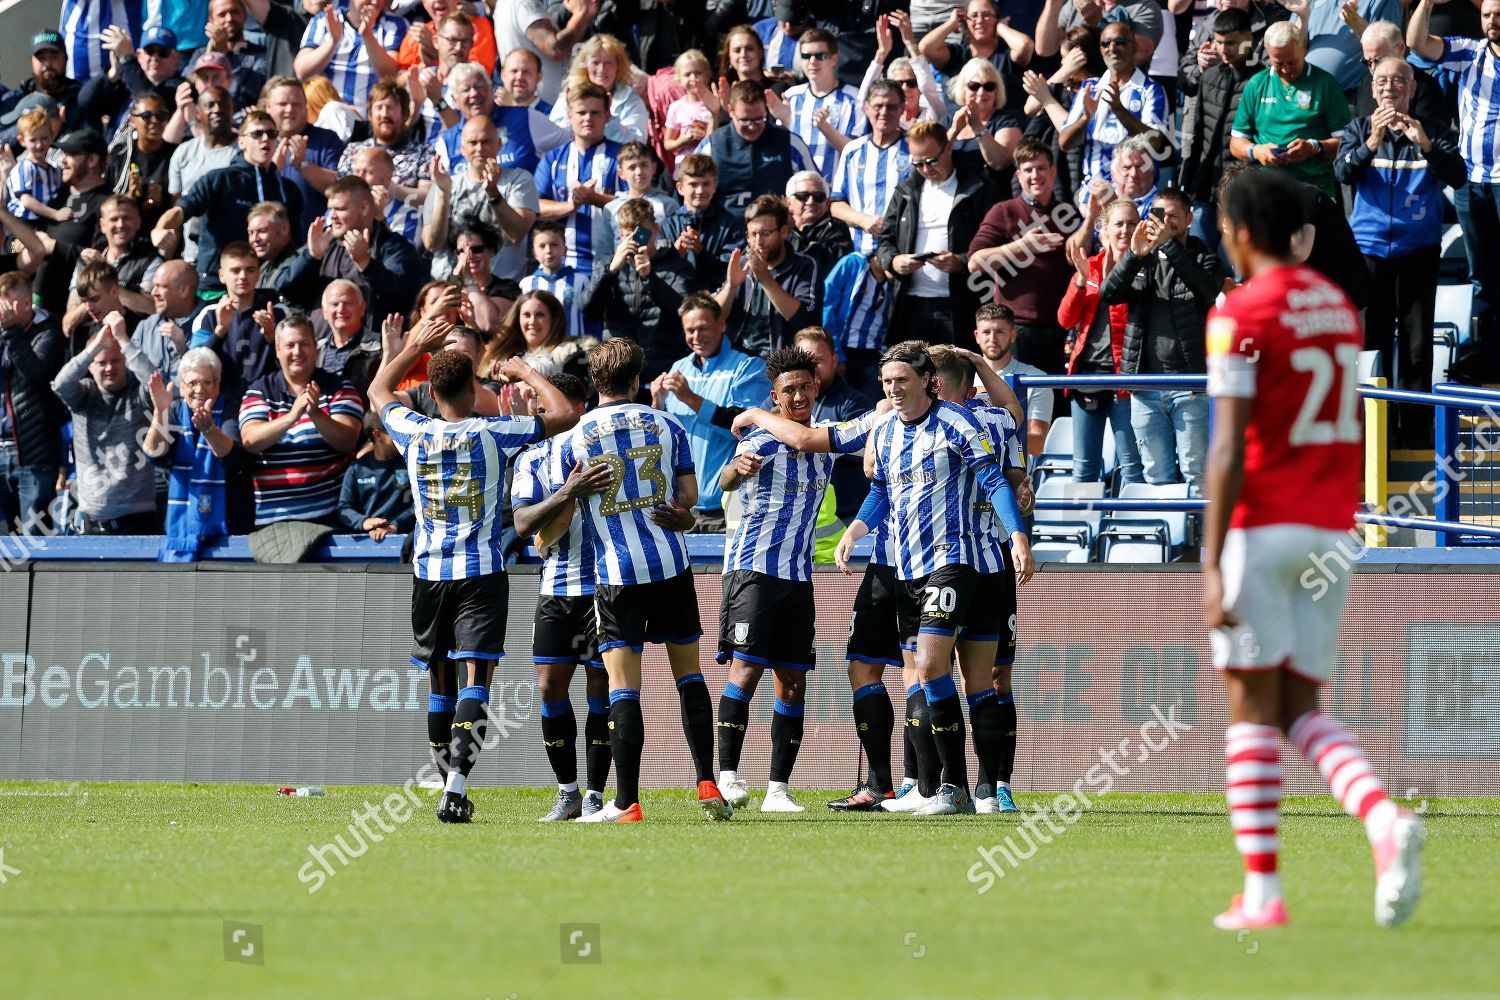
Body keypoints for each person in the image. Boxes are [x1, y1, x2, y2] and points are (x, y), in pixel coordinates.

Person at [1203, 167, 1423, 931]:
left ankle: (1263, 893)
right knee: (1299, 703)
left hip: (1261, 524)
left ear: (1239, 232)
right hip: (1332, 528)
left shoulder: (1237, 311)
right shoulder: (1336, 307)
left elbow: (1227, 446)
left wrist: (1208, 561)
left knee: (1248, 705)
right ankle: (1383, 820)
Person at [370, 318, 577, 824]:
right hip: (481, 572)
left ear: (431, 392)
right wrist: (525, 370)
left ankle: (449, 790)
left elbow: (377, 389)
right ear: (472, 387)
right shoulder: (495, 432)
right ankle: (455, 788)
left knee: (440, 688)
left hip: (428, 574)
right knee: (474, 684)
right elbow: (566, 412)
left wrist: (410, 348)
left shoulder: (413, 430)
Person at [834, 341, 1032, 816]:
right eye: (886, 381)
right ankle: (965, 791)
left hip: (956, 558)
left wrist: (1018, 536)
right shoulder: (883, 433)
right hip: (907, 567)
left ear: (927, 381)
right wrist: (855, 533)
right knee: (952, 679)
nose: (893, 389)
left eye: (902, 380)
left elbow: (995, 481)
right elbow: (880, 492)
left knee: (929, 668)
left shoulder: (959, 423)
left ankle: (955, 789)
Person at [555, 337, 733, 824]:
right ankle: (707, 782)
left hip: (617, 573)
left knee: (623, 688)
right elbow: (689, 498)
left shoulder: (575, 435)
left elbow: (562, 510)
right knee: (689, 677)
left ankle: (627, 802)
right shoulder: (667, 423)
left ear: (595, 382)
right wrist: (681, 517)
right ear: (637, 380)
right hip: (671, 565)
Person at [714, 348, 836, 813]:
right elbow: (725, 480)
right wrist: (734, 470)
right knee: (744, 671)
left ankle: (777, 790)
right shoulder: (760, 441)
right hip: (753, 571)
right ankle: (727, 777)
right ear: (775, 396)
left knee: (792, 680)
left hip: (798, 576)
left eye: (806, 387)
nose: (799, 395)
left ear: (817, 388)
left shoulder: (824, 439)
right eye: (789, 390)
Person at [1334, 57, 1465, 446]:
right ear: (1373, 89)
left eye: (1399, 81)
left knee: (1417, 343)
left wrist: (1425, 143)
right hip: (1370, 252)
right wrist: (1371, 143)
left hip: (1418, 250)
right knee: (1372, 342)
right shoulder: (1357, 129)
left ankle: (1415, 429)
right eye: (1382, 81)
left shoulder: (1435, 131)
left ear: (1412, 89)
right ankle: (1376, 428)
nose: (1389, 87)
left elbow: (1457, 175)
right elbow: (1342, 173)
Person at [925, 344, 1031, 813]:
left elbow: (1010, 416)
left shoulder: (977, 421)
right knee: (982, 676)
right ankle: (983, 786)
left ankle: (968, 786)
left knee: (948, 672)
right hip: (979, 563)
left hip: (967, 559)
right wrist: (983, 364)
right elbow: (1013, 408)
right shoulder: (989, 417)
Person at [510, 372, 614, 821]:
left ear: (577, 408)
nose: (539, 413)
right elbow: (526, 525)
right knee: (550, 687)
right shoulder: (532, 457)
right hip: (556, 590)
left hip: (604, 587)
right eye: (536, 405)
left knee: (600, 689)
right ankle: (567, 791)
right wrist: (569, 492)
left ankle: (595, 793)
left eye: (548, 405)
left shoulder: (604, 451)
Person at [1103, 188, 1226, 495]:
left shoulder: (1205, 258)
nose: (1165, 221)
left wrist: (1169, 247)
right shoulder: (1140, 259)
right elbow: (1108, 295)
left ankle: (1199, 544)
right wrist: (1133, 255)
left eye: (1173, 215)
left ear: (1189, 219)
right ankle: (1169, 543)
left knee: (1197, 474)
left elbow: (1208, 292)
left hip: (1190, 386)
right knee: (1157, 476)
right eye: (1158, 214)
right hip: (1145, 386)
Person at [1408, 0, 1500, 382]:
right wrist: (1427, 2)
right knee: (1484, 274)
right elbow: (1416, 43)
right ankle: (1488, 355)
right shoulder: (1470, 51)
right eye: (1487, 15)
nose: (1493, 21)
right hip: (1471, 179)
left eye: (1499, 14)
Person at [877, 120, 999, 350]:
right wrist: (893, 261)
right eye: (918, 163)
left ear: (949, 148)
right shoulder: (905, 190)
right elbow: (885, 240)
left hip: (960, 303)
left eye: (932, 160)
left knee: (956, 377)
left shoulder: (978, 187)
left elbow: (996, 241)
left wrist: (961, 262)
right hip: (910, 303)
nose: (926, 169)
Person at [654, 293, 771, 531]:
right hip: (683, 506)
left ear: (722, 324)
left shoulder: (748, 367)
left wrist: (690, 398)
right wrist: (656, 406)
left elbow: (747, 430)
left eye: (703, 328)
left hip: (731, 505)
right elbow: (665, 438)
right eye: (690, 330)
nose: (696, 337)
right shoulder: (679, 368)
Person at [152, 111, 306, 288]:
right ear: (241, 142)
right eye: (257, 134)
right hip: (217, 283)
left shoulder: (288, 189)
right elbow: (183, 209)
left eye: (271, 134)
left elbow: (297, 242)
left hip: (267, 283)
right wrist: (160, 228)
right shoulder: (219, 179)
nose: (265, 139)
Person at [238, 314, 364, 526]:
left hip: (332, 519)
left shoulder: (340, 388)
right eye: (290, 345)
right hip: (274, 523)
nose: (297, 352)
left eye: (304, 344)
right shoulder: (259, 391)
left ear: (315, 347)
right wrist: (292, 416)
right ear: (278, 350)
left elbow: (347, 441)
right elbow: (250, 441)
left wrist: (315, 414)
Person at [968, 139, 1078, 374]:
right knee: (1016, 404)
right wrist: (1022, 245)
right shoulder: (1004, 211)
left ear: (1053, 170)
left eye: (1040, 168)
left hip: (1062, 328)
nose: (1035, 175)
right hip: (1017, 330)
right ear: (1018, 176)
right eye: (1028, 170)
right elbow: (975, 263)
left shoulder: (1070, 214)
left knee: (1055, 405)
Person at [1059, 197, 1145, 485]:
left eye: (1131, 223)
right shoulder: (1090, 266)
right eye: (1118, 223)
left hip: (1128, 380)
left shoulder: (1147, 267)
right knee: (1084, 469)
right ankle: (1083, 528)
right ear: (1104, 230)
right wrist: (1081, 282)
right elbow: (1065, 320)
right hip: (1087, 376)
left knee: (1133, 466)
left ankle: (1132, 530)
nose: (1125, 229)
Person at [51, 311, 159, 535]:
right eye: (101, 362)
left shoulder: (138, 392)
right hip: (92, 519)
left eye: (115, 360)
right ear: (90, 365)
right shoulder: (83, 394)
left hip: (138, 517)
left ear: (125, 361)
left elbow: (155, 385)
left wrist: (123, 341)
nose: (109, 368)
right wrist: (95, 346)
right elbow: (60, 384)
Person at [277, 176, 426, 328]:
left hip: (370, 348)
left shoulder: (393, 246)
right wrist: (311, 257)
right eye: (330, 209)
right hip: (320, 347)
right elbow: (286, 291)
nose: (332, 216)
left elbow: (402, 295)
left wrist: (366, 264)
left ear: (364, 208)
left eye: (340, 209)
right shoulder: (324, 243)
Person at [1228, 22, 1351, 201]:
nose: (1286, 70)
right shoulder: (1256, 84)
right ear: (1268, 54)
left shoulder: (1325, 84)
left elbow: (1346, 143)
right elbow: (1236, 142)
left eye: (1292, 62)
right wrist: (1257, 151)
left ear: (1304, 48)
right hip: (1267, 188)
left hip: (1315, 187)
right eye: (1278, 64)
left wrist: (1313, 148)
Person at [145, 346, 244, 560]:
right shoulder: (172, 410)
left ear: (218, 384)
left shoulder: (230, 410)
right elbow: (155, 454)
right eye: (192, 383)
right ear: (181, 388)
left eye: (207, 382)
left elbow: (233, 458)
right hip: (181, 530)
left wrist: (209, 430)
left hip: (228, 526)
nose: (200, 390)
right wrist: (159, 413)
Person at [581, 200, 696, 384]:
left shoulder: (677, 266)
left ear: (656, 230)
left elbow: (685, 312)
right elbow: (588, 310)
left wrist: (650, 278)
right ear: (620, 234)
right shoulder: (609, 266)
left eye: (642, 235)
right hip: (617, 368)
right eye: (629, 236)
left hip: (662, 368)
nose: (636, 242)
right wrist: (610, 272)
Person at [1058, 21, 1169, 205]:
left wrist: (1119, 109)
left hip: (1139, 196)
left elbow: (1155, 142)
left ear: (1134, 47)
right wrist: (1086, 117)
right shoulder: (1090, 87)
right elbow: (1065, 143)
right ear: (1100, 50)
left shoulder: (1151, 89)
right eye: (1106, 43)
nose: (1112, 48)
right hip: (1094, 193)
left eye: (1120, 42)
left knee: (1149, 223)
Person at [424, 116, 540, 291]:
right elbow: (432, 243)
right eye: (473, 143)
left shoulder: (519, 179)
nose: (479, 148)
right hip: (450, 286)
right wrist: (443, 194)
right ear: (463, 149)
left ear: (499, 145)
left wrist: (493, 193)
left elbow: (517, 233)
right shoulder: (444, 184)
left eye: (486, 142)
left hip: (499, 289)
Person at [1180, 8, 1258, 251]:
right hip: (1205, 188)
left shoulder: (1261, 81)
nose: (1224, 49)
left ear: (1249, 38)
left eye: (1231, 42)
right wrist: (1189, 184)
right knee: (1200, 260)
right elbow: (1197, 134)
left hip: (1241, 192)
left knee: (1235, 266)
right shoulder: (1209, 77)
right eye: (1219, 42)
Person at [534, 82, 625, 276]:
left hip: (613, 261)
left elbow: (637, 206)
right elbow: (534, 206)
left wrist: (596, 200)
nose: (588, 119)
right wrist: (571, 205)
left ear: (607, 117)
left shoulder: (623, 156)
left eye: (595, 113)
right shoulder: (553, 159)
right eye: (581, 113)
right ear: (569, 116)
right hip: (563, 265)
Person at [0, 270, 66, 533]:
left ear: (26, 304)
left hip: (33, 455)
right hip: (1, 451)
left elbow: (36, 373)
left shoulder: (48, 331)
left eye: (6, 305)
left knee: (32, 539)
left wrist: (11, 331)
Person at [693, 81, 816, 219]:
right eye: (745, 121)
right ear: (731, 111)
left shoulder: (790, 143)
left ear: (766, 110)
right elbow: (690, 192)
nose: (752, 127)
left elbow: (815, 189)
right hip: (726, 233)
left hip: (777, 232)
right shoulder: (711, 146)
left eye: (758, 119)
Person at [715, 195, 819, 358]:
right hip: (736, 358)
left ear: (783, 231)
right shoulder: (741, 263)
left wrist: (765, 279)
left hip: (780, 361)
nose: (758, 242)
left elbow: (805, 321)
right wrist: (731, 286)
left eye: (765, 233)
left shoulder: (804, 265)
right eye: (753, 234)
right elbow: (714, 317)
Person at [766, 28, 866, 182]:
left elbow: (857, 153)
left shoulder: (854, 98)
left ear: (834, 59)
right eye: (806, 56)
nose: (812, 62)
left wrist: (826, 129)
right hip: (798, 192)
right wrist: (786, 122)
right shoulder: (792, 96)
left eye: (820, 56)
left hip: (837, 192)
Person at [830, 81, 911, 259]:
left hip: (901, 253)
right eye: (878, 106)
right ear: (866, 108)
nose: (884, 112)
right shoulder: (852, 150)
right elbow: (836, 204)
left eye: (891, 107)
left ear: (902, 109)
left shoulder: (913, 149)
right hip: (858, 252)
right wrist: (864, 220)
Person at [189, 241, 284, 389]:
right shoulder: (208, 315)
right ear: (222, 275)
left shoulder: (278, 312)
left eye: (250, 270)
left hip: (266, 400)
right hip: (221, 403)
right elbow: (195, 367)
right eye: (235, 270)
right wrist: (220, 330)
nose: (243, 276)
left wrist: (272, 338)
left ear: (259, 272)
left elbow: (292, 366)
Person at [920, 0, 1035, 119]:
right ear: (965, 21)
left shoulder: (1007, 55)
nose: (980, 21)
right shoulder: (956, 54)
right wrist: (951, 24)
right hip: (958, 130)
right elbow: (926, 47)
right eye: (974, 16)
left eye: (986, 15)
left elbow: (1025, 46)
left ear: (997, 19)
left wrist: (1001, 28)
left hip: (1002, 128)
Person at [168, 86, 239, 267]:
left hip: (234, 257)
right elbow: (176, 208)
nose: (217, 110)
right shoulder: (183, 152)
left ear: (233, 110)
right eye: (210, 105)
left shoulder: (245, 151)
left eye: (223, 105)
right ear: (198, 113)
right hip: (193, 257)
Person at [295, 0, 407, 112]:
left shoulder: (395, 25)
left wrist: (367, 36)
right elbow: (302, 71)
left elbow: (391, 74)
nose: (374, 2)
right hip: (326, 111)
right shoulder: (323, 20)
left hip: (371, 116)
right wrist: (333, 41)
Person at [975, 303, 1054, 457]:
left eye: (1000, 332)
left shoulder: (1036, 378)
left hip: (1015, 478)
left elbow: (1037, 443)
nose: (992, 339)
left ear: (1013, 335)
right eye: (986, 332)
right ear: (977, 336)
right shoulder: (962, 376)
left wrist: (985, 437)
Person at [659, 154, 745, 293]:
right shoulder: (667, 225)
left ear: (714, 186)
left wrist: (702, 254)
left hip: (715, 302)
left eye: (706, 184)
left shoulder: (731, 226)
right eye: (693, 184)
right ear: (680, 188)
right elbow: (659, 273)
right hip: (675, 304)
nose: (700, 191)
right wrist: (675, 254)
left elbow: (729, 273)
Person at [547, 34, 651, 145]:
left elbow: (637, 143)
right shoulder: (570, 95)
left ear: (618, 66)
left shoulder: (631, 101)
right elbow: (555, 138)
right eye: (595, 63)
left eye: (608, 63)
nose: (601, 70)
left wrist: (609, 119)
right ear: (585, 66)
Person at [492, 0, 598, 106]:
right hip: (541, 109)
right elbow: (555, 48)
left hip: (536, 106)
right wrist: (582, 13)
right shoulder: (523, 4)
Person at [480, 289, 592, 383]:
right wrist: (497, 384)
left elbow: (573, 400)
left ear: (554, 318)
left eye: (540, 315)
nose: (532, 321)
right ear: (517, 318)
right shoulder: (501, 357)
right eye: (526, 315)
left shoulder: (572, 355)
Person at [338, 410, 415, 538]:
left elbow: (422, 504)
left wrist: (395, 525)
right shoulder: (357, 469)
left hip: (406, 539)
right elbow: (344, 508)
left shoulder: (411, 464)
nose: (403, 436)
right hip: (365, 543)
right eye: (396, 432)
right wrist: (364, 521)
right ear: (378, 435)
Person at [1301, 0, 1403, 94]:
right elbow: (1294, 47)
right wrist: (1302, 17)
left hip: (1351, 97)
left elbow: (1389, 50)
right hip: (1305, 95)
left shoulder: (1384, 2)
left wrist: (1356, 23)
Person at [945, 58, 1026, 174]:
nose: (981, 92)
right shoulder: (949, 119)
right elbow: (933, 157)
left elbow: (1000, 162)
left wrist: (978, 127)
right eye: (974, 86)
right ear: (963, 89)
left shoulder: (1007, 121)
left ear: (996, 91)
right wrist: (954, 131)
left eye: (989, 86)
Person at [131, 261, 203, 381]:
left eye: (161, 286)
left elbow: (207, 380)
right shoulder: (146, 327)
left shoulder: (208, 323)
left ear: (184, 290)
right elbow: (130, 378)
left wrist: (183, 349)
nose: (154, 293)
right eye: (153, 286)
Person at [784, 170, 853, 293]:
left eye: (818, 197)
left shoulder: (836, 228)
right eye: (803, 196)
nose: (811, 201)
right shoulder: (778, 229)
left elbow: (823, 265)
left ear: (827, 203)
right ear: (788, 202)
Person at [522, 222, 590, 338]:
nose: (548, 250)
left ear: (565, 249)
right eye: (542, 246)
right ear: (534, 253)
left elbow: (590, 318)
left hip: (573, 349)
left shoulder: (581, 281)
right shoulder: (526, 284)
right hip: (540, 351)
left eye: (554, 245)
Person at [663, 49, 719, 176]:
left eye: (698, 73)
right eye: (687, 74)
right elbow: (668, 144)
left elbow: (714, 139)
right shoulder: (676, 107)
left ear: (708, 74)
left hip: (709, 169)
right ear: (678, 77)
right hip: (684, 171)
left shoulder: (715, 102)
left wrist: (714, 115)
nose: (693, 78)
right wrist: (683, 140)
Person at [6, 110, 65, 225]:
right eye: (33, 140)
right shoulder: (24, 168)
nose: (39, 145)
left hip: (45, 219)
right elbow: (26, 201)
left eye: (44, 138)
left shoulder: (53, 169)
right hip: (27, 223)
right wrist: (55, 214)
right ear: (22, 141)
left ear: (52, 136)